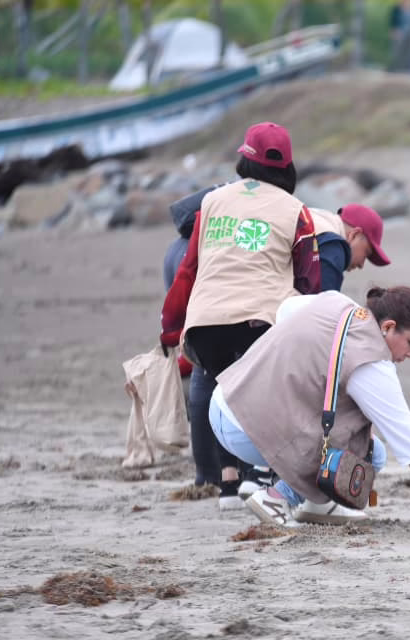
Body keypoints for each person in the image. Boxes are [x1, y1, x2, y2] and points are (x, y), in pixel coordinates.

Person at [208, 286, 410, 528]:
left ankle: (316, 504)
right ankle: (277, 498)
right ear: (388, 327)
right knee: (369, 451)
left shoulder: (336, 302)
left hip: (224, 399)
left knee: (346, 424)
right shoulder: (372, 365)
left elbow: (286, 310)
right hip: (246, 433)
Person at [160, 121, 321, 510]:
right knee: (265, 395)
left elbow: (188, 268)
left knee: (220, 387)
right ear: (287, 167)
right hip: (258, 322)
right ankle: (262, 478)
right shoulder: (297, 211)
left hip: (205, 323)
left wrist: (171, 324)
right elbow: (309, 280)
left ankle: (229, 484)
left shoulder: (212, 202)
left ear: (243, 159)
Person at [309, 203, 391, 292]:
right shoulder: (332, 247)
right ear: (354, 235)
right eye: (366, 253)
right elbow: (323, 303)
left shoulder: (313, 216)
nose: (361, 265)